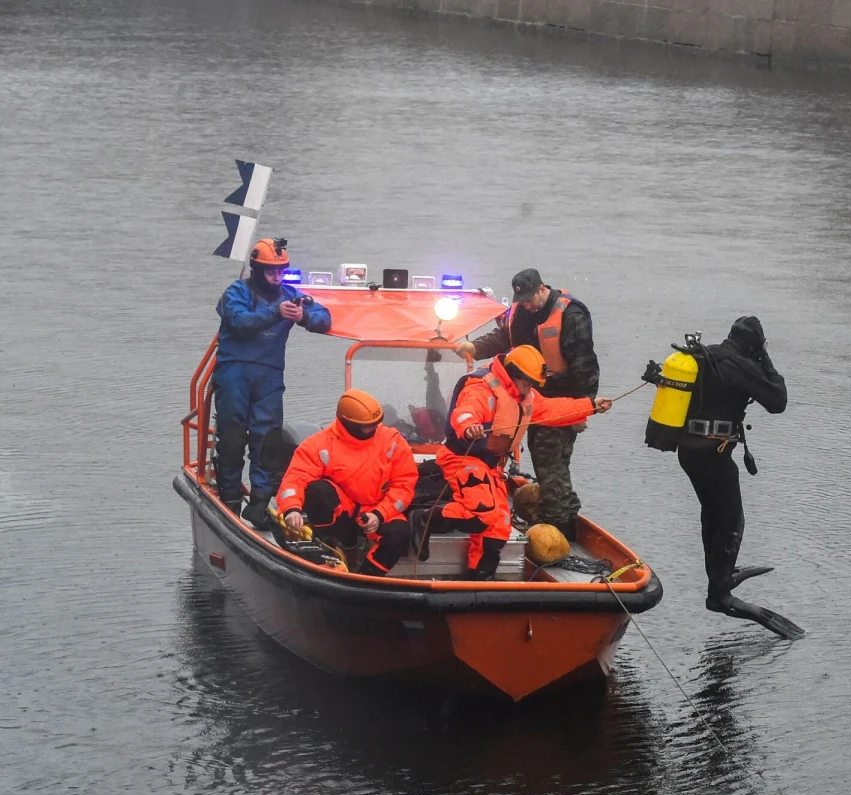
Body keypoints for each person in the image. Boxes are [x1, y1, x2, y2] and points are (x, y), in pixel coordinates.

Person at [428, 345, 613, 580]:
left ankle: (479, 576)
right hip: (462, 459)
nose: (531, 388)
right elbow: (464, 413)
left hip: (490, 466)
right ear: (514, 375)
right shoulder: (481, 388)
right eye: (528, 383)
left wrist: (590, 406)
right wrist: (469, 427)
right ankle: (426, 518)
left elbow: (552, 409)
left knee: (501, 524)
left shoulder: (523, 395)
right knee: (481, 513)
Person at [677, 316, 803, 639]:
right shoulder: (738, 364)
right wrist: (765, 359)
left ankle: (719, 574)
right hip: (713, 455)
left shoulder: (710, 355)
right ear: (755, 345)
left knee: (712, 511)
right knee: (734, 521)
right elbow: (778, 400)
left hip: (689, 452)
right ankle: (720, 594)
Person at [454, 268, 599, 540]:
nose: (528, 304)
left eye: (531, 298)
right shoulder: (521, 312)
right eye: (523, 300)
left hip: (559, 401)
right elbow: (503, 339)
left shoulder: (571, 315)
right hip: (525, 397)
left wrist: (582, 410)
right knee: (542, 462)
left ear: (542, 289)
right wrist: (474, 347)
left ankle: (559, 530)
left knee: (551, 466)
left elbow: (585, 364)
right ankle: (559, 522)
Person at [214, 237, 331, 529]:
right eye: (271, 272)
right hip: (234, 374)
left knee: (267, 441)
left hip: (269, 377)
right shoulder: (237, 292)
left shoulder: (291, 295)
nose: (276, 277)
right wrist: (275, 313)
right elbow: (240, 322)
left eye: (280, 272)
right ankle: (228, 497)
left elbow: (324, 317)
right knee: (232, 438)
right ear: (257, 269)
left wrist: (303, 316)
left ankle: (259, 504)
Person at [275, 389, 419, 577]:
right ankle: (331, 548)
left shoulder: (392, 441)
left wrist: (379, 514)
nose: (372, 429)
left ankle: (368, 579)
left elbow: (404, 485)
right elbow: (296, 478)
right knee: (318, 491)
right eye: (366, 426)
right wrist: (292, 508)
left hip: (378, 508)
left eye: (375, 424)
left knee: (399, 534)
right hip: (344, 507)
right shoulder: (319, 444)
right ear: (346, 422)